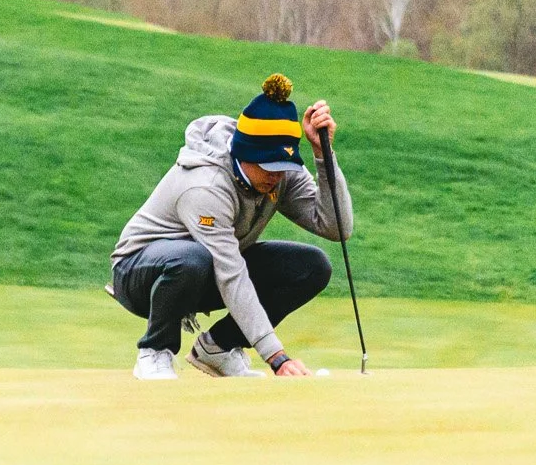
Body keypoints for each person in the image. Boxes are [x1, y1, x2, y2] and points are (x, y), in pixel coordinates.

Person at [109, 74, 353, 380]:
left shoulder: (280, 174)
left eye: (284, 168)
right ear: (246, 153)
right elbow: (231, 274)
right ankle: (154, 351)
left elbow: (336, 227)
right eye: (270, 166)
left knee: (311, 266)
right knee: (192, 260)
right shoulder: (206, 186)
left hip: (204, 270)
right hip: (139, 273)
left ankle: (219, 348)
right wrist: (277, 357)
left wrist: (323, 156)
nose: (277, 177)